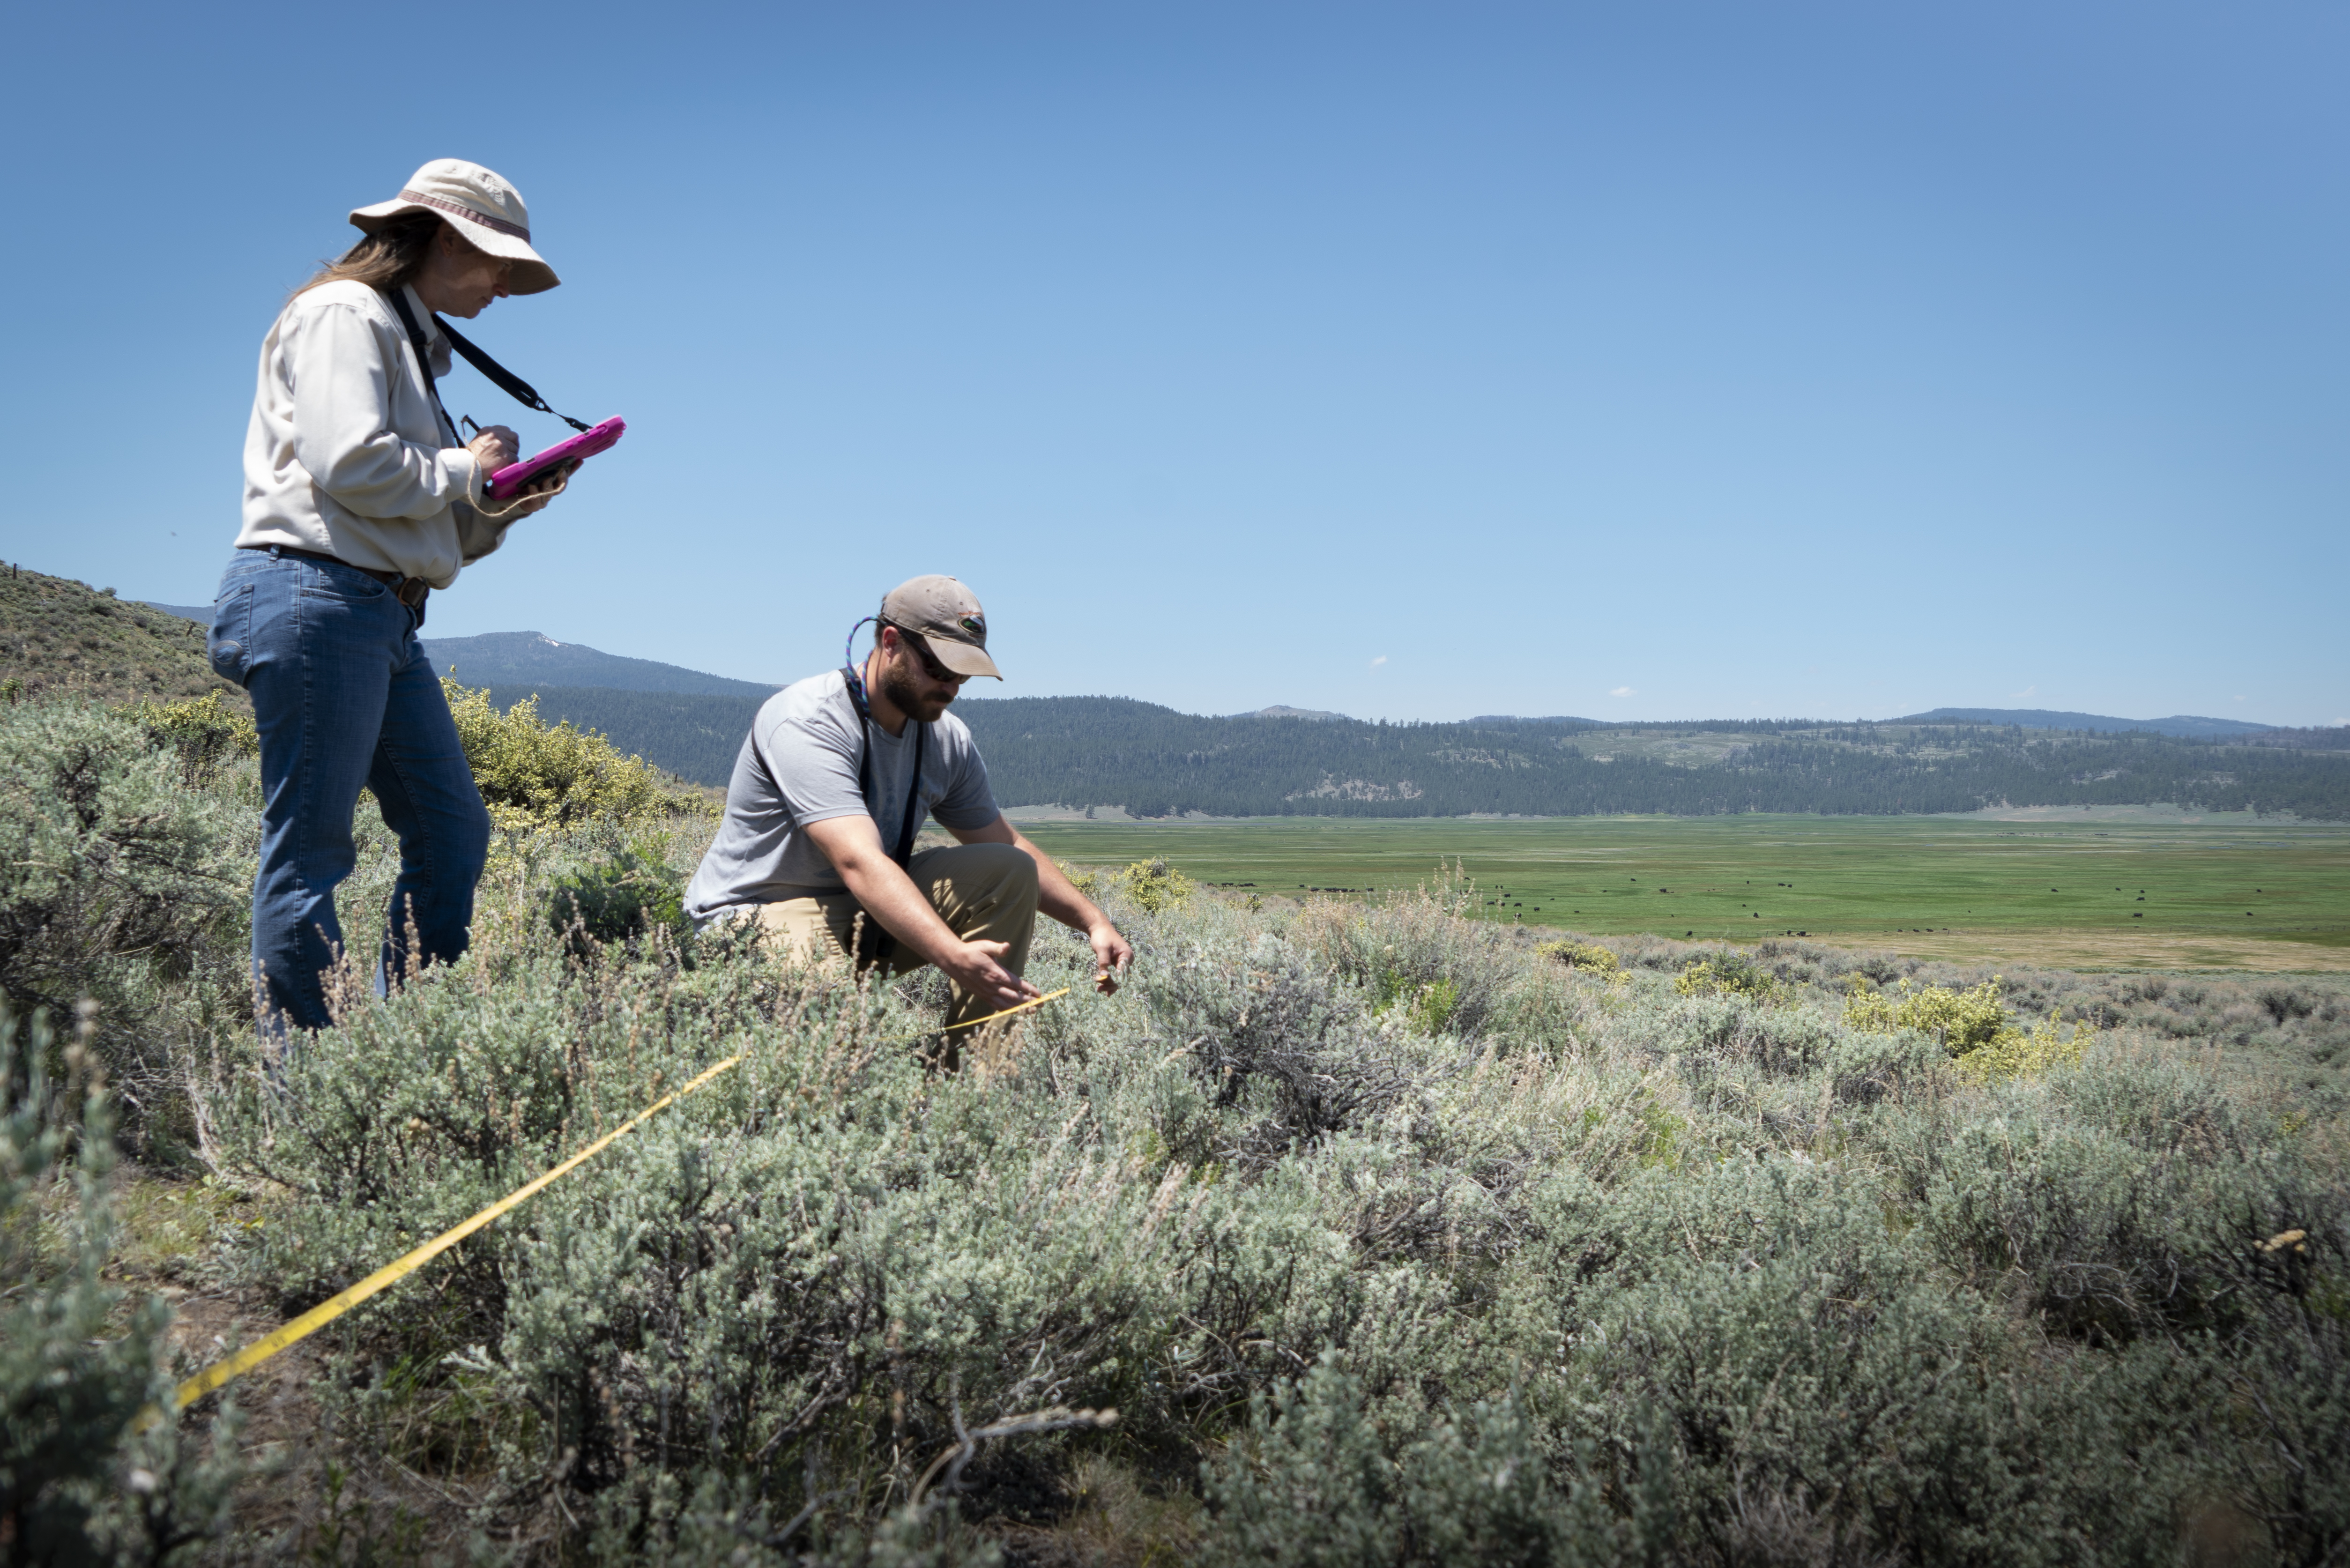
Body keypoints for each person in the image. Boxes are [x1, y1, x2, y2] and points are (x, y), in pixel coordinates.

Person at [210, 159, 574, 1035]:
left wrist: (506, 505)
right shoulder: (347, 312)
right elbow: (353, 464)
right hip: (316, 594)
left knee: (453, 836)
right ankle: (303, 1094)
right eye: (496, 263)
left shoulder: (401, 336)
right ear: (445, 236)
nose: (502, 287)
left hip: (372, 608)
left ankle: (405, 1053)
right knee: (310, 855)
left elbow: (414, 525)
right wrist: (467, 467)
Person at [685, 577, 1133, 1060]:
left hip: (865, 908)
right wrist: (951, 955)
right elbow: (858, 860)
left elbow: (1005, 842)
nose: (951, 687)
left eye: (963, 675)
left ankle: (975, 1087)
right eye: (939, 668)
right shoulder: (808, 718)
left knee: (1008, 869)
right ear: (891, 641)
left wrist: (1093, 921)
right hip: (761, 910)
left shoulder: (945, 738)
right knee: (837, 1040)